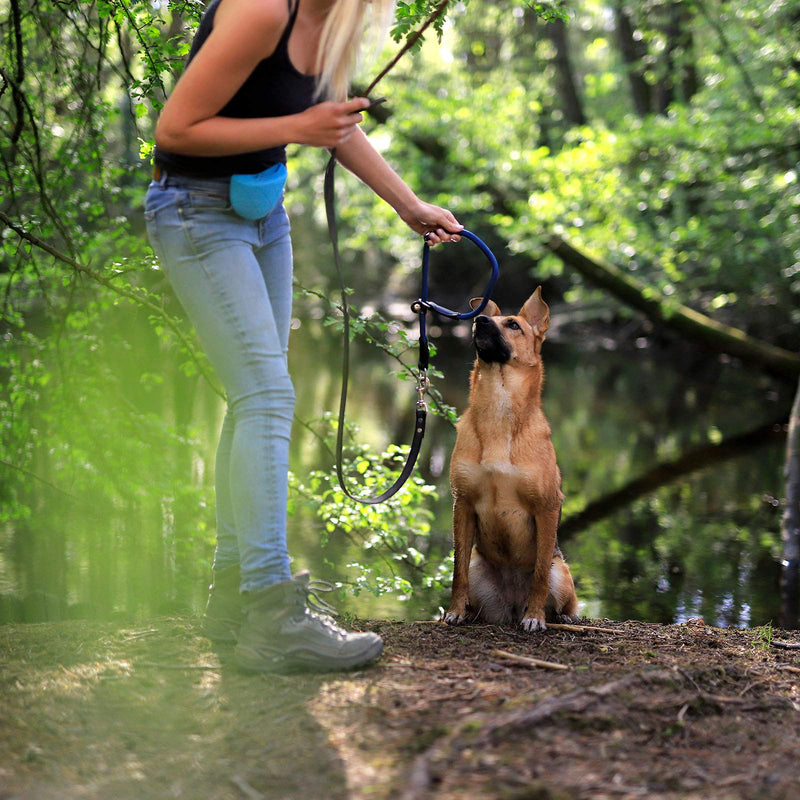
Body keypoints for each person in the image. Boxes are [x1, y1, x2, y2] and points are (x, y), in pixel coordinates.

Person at [144, 0, 462, 673]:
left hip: (262, 217)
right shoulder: (262, 11)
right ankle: (272, 613)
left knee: (251, 398)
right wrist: (299, 126)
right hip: (195, 213)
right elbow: (175, 131)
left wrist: (411, 208)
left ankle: (232, 600)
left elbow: (337, 129)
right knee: (266, 395)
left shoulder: (336, 26)